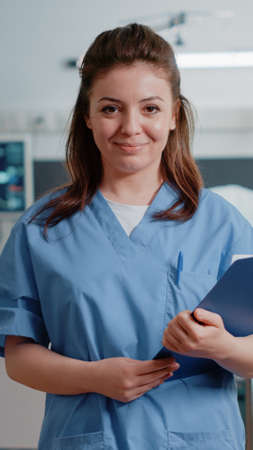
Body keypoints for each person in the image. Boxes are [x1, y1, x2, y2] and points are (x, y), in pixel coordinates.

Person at [0, 23, 253, 450]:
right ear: (88, 115)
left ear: (174, 115)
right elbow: (18, 356)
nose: (130, 127)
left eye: (150, 108)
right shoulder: (41, 227)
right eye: (111, 108)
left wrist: (222, 347)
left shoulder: (222, 223)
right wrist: (94, 377)